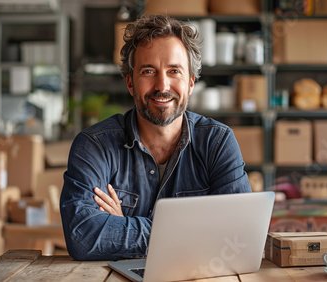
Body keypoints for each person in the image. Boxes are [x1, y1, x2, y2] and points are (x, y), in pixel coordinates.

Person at [60, 14, 252, 261]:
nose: (162, 85)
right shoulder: (94, 146)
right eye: (149, 71)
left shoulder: (218, 143)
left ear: (191, 83)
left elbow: (239, 234)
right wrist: (196, 235)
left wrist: (124, 225)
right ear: (130, 82)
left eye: (174, 71)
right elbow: (82, 236)